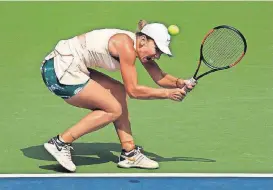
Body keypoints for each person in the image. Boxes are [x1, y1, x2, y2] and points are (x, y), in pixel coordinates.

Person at [40, 20, 196, 172]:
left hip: (72, 66)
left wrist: (179, 82)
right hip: (58, 70)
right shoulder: (125, 46)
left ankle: (129, 153)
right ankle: (60, 143)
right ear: (142, 40)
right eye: (158, 50)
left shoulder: (139, 47)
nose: (158, 56)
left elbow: (159, 76)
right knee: (113, 109)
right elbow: (133, 90)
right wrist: (168, 94)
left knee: (118, 90)